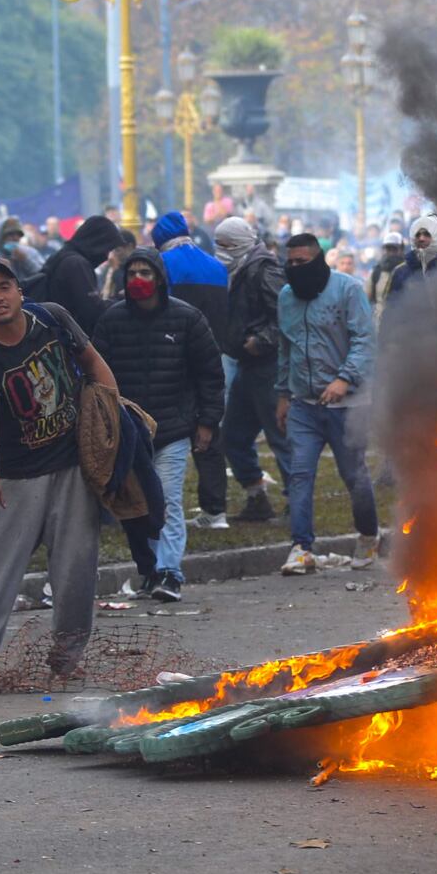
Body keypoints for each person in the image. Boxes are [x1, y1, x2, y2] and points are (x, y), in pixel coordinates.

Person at [0, 256, 115, 678]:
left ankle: (67, 657)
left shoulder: (53, 319)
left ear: (19, 291)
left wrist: (112, 417)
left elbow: (93, 363)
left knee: (75, 569)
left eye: (4, 286)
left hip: (71, 466)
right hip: (13, 475)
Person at [90, 248, 224, 601]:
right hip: (128, 432)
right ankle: (149, 569)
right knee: (136, 504)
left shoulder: (187, 319)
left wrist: (207, 421)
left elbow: (210, 374)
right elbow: (94, 375)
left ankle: (169, 573)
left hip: (173, 429)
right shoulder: (111, 320)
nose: (138, 280)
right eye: (131, 273)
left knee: (166, 500)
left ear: (160, 279)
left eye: (145, 274)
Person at [273, 233, 379, 574]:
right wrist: (283, 395)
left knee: (354, 476)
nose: (294, 268)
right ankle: (301, 547)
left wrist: (344, 378)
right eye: (289, 263)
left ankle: (368, 535)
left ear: (318, 261)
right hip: (304, 403)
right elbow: (285, 349)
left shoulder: (348, 289)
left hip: (347, 405)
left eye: (301, 262)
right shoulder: (286, 297)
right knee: (300, 474)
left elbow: (365, 339)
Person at [151, 211, 232, 528]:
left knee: (166, 431)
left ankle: (161, 510)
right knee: (209, 430)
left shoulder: (165, 264)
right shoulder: (215, 265)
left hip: (174, 357)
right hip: (213, 356)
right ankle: (216, 511)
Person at [214, 216, 292, 523]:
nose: (220, 251)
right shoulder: (240, 268)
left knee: (280, 436)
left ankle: (296, 503)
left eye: (225, 245)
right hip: (248, 366)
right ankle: (256, 497)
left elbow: (285, 315)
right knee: (232, 435)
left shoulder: (264, 269)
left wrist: (261, 341)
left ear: (239, 244)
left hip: (268, 367)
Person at [23, 214, 120, 334]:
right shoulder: (76, 264)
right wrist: (120, 302)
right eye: (107, 248)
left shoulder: (64, 255)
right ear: (98, 243)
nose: (106, 256)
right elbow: (92, 310)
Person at [387, 214, 437, 306]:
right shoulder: (401, 272)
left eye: (427, 234)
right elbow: (391, 308)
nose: (421, 238)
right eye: (417, 234)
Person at [368, 231, 405, 316]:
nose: (391, 253)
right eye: (388, 249)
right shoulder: (376, 272)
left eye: (394, 249)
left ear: (401, 250)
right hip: (380, 322)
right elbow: (365, 301)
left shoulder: (408, 271)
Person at [0, 217, 44, 281]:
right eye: (10, 234)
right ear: (1, 236)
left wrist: (25, 260)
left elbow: (43, 275)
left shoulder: (31, 253)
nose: (15, 238)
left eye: (18, 234)